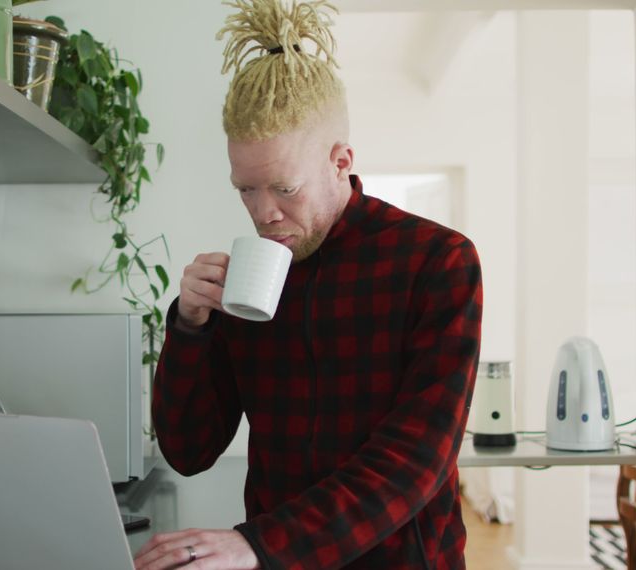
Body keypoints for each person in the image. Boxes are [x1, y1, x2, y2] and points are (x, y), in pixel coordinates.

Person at [133, 1, 482, 568]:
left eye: (283, 189)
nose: (263, 213)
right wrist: (191, 328)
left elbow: (419, 457)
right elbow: (188, 450)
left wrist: (260, 543)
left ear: (340, 160)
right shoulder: (249, 280)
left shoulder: (437, 261)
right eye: (245, 190)